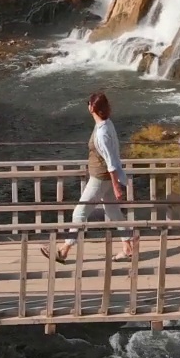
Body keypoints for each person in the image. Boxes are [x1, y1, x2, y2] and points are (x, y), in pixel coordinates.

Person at [42, 92, 134, 263]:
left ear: (92, 107)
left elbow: (111, 161)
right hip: (104, 177)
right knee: (113, 212)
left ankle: (63, 250)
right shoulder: (107, 124)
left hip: (100, 178)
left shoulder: (101, 133)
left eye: (88, 103)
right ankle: (128, 248)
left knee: (79, 212)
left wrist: (116, 185)